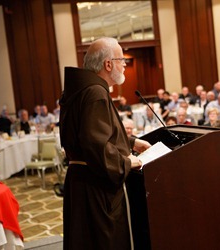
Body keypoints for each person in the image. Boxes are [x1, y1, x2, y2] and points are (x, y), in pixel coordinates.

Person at [59, 37, 151, 250]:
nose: (125, 65)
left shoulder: (82, 89)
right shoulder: (95, 93)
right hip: (96, 187)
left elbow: (91, 134)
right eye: (121, 60)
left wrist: (132, 142)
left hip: (82, 180)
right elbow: (95, 145)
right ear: (108, 64)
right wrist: (128, 163)